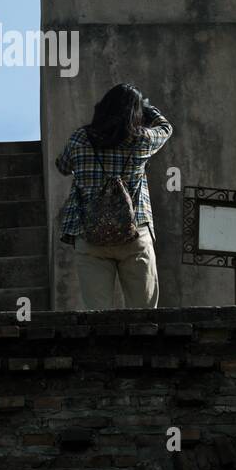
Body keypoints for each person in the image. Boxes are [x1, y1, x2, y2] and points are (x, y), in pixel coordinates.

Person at [55, 84, 172, 310]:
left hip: (90, 238)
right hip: (134, 234)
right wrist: (146, 107)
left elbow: (63, 166)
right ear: (134, 112)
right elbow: (166, 128)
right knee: (144, 315)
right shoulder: (142, 141)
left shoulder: (80, 139)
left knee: (99, 318)